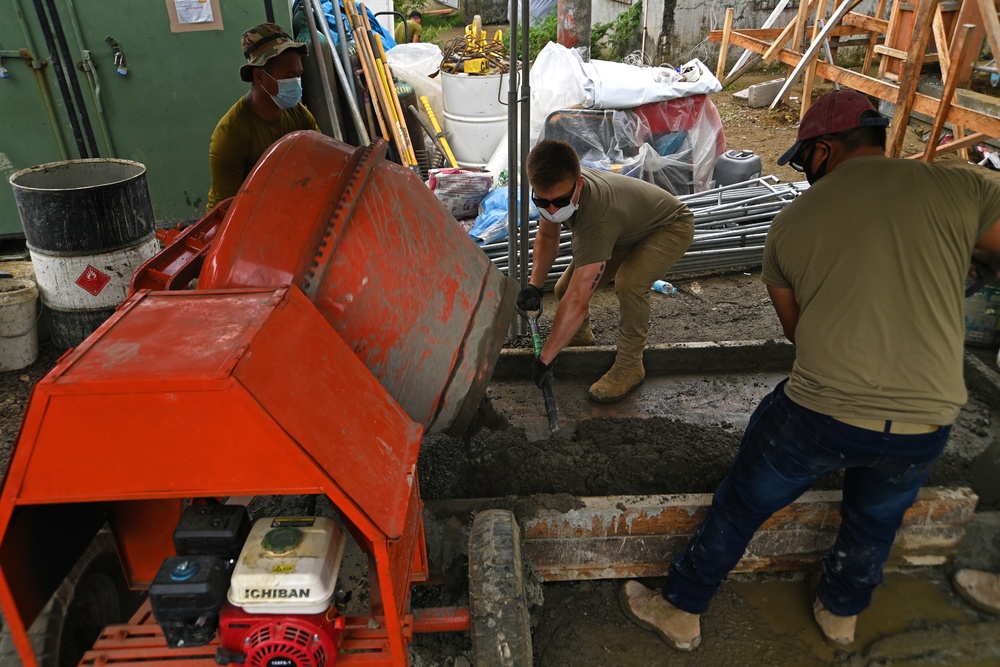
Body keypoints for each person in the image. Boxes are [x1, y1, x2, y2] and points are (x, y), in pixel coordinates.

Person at [618, 90, 1000, 650]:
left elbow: (799, 334)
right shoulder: (961, 186)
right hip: (927, 416)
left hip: (823, 412)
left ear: (824, 150)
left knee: (742, 504)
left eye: (802, 160)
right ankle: (841, 613)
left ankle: (682, 609)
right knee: (874, 520)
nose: (804, 171)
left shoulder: (792, 223)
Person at [517, 139, 694, 403]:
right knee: (563, 289)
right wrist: (535, 285)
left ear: (578, 184)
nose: (552, 209)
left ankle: (630, 365)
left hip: (668, 227)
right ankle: (579, 335)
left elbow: (579, 299)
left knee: (629, 282)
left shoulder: (596, 218)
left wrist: (545, 358)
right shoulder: (555, 189)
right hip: (625, 229)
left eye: (559, 201)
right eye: (543, 202)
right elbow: (548, 236)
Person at [206, 23, 321, 211]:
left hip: (283, 205)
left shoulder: (298, 114)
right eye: (289, 76)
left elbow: (322, 158)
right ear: (259, 76)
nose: (297, 83)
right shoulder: (231, 134)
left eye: (299, 75)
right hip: (244, 217)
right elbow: (227, 211)